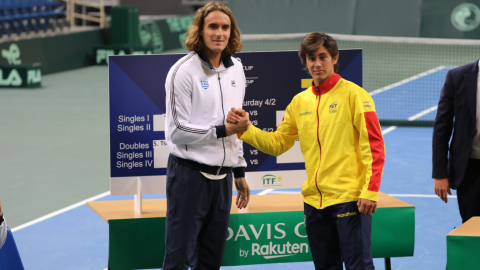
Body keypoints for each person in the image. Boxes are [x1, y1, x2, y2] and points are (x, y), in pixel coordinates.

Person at [227, 32, 385, 270]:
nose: (317, 63)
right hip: (314, 203)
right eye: (311, 58)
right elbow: (278, 143)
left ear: (334, 58)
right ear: (305, 62)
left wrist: (370, 190)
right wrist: (247, 129)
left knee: (359, 267)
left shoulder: (355, 95)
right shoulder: (299, 103)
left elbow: (373, 146)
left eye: (322, 57)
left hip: (349, 200)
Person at [163, 2, 250, 269]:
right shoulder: (183, 71)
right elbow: (177, 131)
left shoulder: (236, 69)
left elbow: (237, 125)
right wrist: (223, 130)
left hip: (222, 180)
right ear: (200, 31)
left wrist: (239, 170)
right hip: (189, 179)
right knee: (179, 259)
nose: (219, 33)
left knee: (211, 260)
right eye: (213, 26)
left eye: (225, 27)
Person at [432, 59, 480, 224]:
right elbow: (442, 127)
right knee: (471, 227)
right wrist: (440, 174)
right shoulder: (457, 76)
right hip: (469, 170)